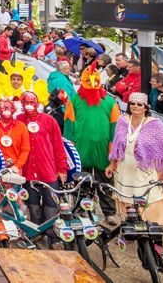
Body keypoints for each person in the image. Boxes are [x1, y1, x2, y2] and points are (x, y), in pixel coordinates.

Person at [105, 92, 163, 268]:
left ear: (146, 107)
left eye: (139, 104)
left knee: (151, 215)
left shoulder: (155, 125)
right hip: (125, 170)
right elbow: (117, 144)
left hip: (146, 171)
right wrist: (112, 164)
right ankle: (139, 245)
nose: (135, 107)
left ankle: (157, 254)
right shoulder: (122, 120)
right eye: (132, 103)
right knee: (131, 211)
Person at [63, 67, 119, 225]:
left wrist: (114, 151)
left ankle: (109, 212)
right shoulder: (74, 101)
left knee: (106, 183)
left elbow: (115, 128)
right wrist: (68, 150)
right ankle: (83, 210)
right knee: (81, 181)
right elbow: (69, 127)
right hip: (81, 148)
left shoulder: (109, 101)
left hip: (103, 150)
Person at [19, 91, 67, 246]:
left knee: (51, 205)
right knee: (32, 204)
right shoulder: (18, 121)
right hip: (27, 172)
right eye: (26, 102)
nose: (29, 106)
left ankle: (53, 237)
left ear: (37, 103)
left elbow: (58, 146)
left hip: (47, 170)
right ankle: (36, 232)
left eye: (32, 102)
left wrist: (62, 169)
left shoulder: (49, 121)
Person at [0, 99, 30, 173]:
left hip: (14, 168)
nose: (7, 110)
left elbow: (25, 150)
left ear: (14, 110)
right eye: (4, 108)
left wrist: (17, 166)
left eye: (10, 108)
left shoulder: (21, 126)